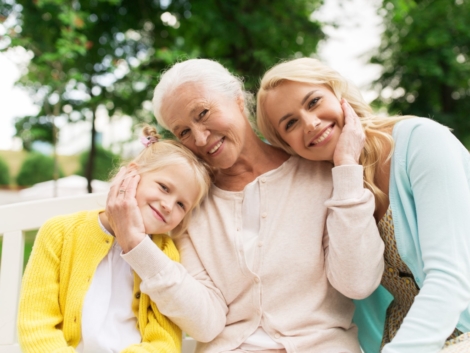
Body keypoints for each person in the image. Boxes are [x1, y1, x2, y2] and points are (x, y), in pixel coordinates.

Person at [105, 58, 384, 353]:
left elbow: (358, 283)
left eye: (203, 113)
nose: (200, 137)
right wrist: (137, 245)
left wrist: (346, 170)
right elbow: (206, 324)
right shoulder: (187, 207)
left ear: (238, 99)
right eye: (184, 132)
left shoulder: (322, 176)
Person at [256, 57, 470, 353]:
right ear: (286, 145)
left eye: (314, 101)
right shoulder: (329, 190)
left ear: (337, 93)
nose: (310, 123)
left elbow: (450, 277)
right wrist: (345, 165)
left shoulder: (422, 142)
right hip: (403, 336)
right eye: (290, 123)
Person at [17, 125, 211, 353]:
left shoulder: (163, 253)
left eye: (181, 205)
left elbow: (164, 342)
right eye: (164, 187)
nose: (169, 206)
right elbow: (36, 324)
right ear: (131, 175)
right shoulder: (59, 232)